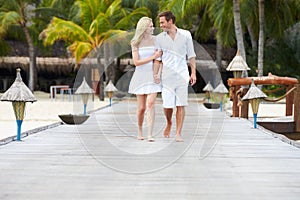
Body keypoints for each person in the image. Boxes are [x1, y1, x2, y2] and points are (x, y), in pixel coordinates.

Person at [154, 11, 197, 142]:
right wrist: (155, 74)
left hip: (182, 75)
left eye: (162, 22)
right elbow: (158, 59)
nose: (160, 25)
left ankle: (178, 133)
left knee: (180, 104)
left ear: (170, 21)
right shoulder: (159, 38)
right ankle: (169, 122)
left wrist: (193, 73)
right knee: (167, 106)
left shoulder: (186, 35)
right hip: (166, 76)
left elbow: (191, 55)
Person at [128, 17, 163, 142]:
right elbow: (136, 62)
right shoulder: (135, 42)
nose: (153, 28)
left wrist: (157, 74)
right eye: (150, 26)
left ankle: (150, 134)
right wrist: (153, 56)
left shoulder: (157, 40)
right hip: (140, 76)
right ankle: (139, 130)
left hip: (153, 75)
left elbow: (159, 60)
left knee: (151, 103)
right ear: (143, 27)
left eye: (152, 25)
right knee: (141, 108)